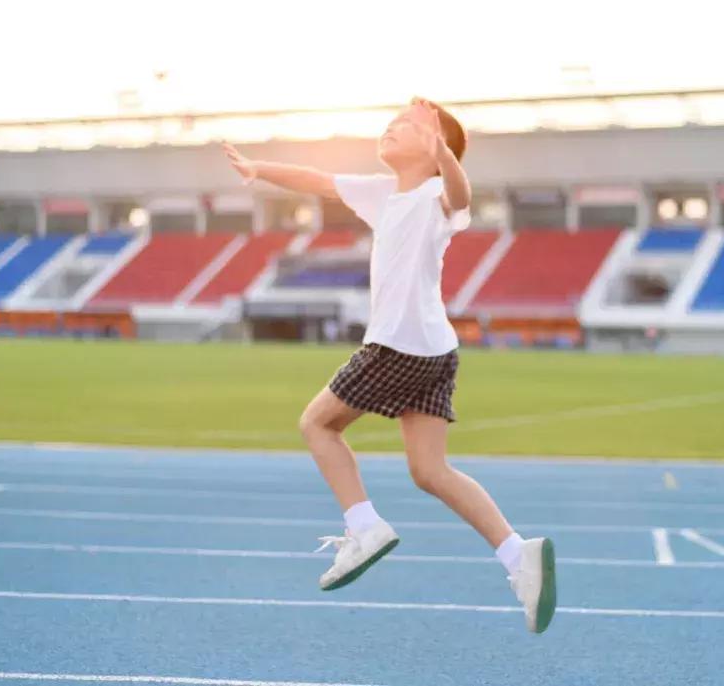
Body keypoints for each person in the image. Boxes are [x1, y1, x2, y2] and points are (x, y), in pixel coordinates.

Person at [221, 98, 557, 634]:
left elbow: (461, 192)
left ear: (433, 147)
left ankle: (366, 526)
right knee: (429, 471)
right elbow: (318, 179)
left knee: (317, 424)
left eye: (404, 126)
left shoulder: (435, 195)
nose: (389, 130)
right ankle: (520, 557)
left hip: (398, 345)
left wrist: (443, 152)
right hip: (434, 351)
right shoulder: (383, 193)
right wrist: (260, 169)